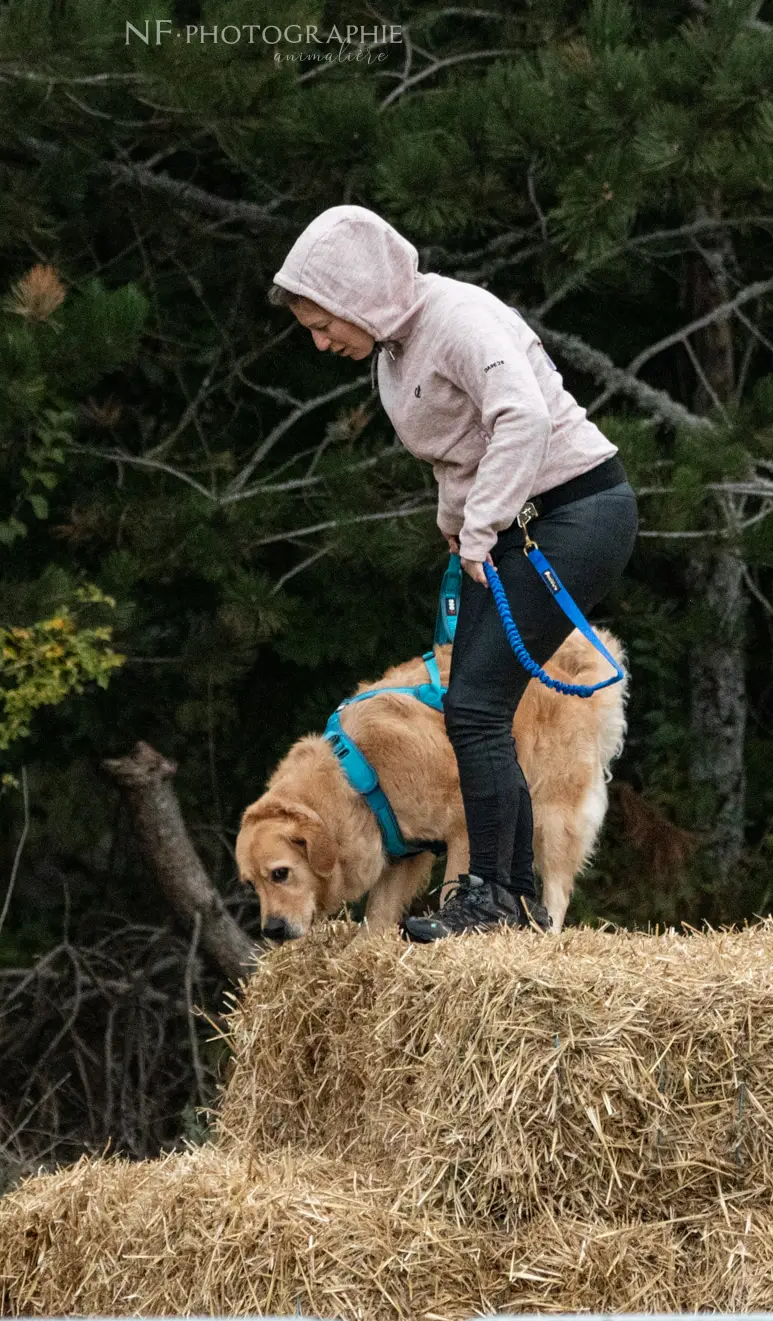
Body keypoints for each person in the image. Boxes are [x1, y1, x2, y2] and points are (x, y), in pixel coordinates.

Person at [270, 205, 638, 941]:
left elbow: (523, 419)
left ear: (359, 295)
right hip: (513, 525)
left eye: (323, 322)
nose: (319, 341)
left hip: (578, 512)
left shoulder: (458, 319)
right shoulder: (394, 353)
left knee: (473, 703)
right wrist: (456, 524)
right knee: (476, 703)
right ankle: (501, 898)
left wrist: (480, 525)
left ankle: (500, 900)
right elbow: (460, 451)